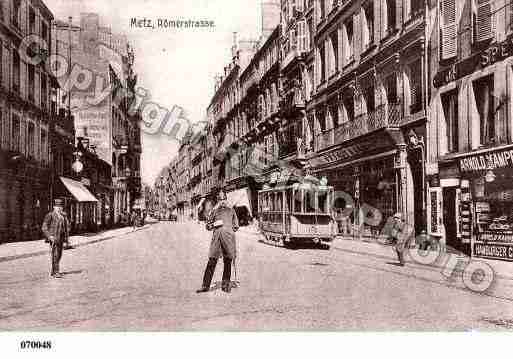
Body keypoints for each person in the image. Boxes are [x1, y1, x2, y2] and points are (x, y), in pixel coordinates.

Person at [197, 190, 239, 293]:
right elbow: (208, 226)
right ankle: (205, 286)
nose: (223, 201)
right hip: (216, 240)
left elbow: (236, 225)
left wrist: (229, 231)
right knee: (211, 261)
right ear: (218, 201)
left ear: (226, 199)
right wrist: (214, 225)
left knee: (228, 261)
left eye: (224, 199)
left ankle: (225, 285)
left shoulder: (231, 211)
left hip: (228, 240)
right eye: (220, 199)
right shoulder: (214, 212)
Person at [41, 198, 70, 278]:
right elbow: (44, 227)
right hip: (54, 238)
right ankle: (56, 272)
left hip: (61, 238)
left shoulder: (63, 216)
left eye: (61, 206)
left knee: (59, 254)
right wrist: (49, 236)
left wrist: (67, 239)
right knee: (55, 254)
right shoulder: (50, 215)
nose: (59, 208)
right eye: (57, 206)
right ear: (54, 207)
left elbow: (66, 228)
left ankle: (54, 271)